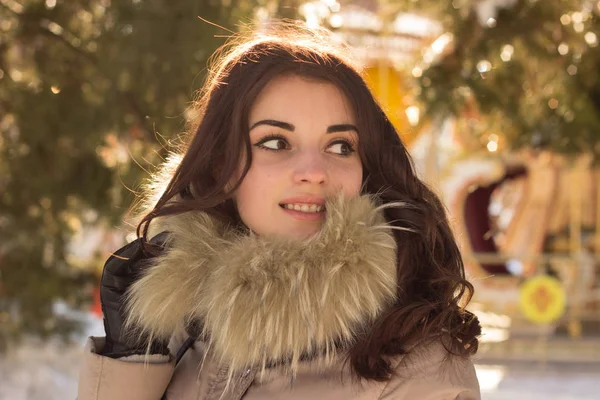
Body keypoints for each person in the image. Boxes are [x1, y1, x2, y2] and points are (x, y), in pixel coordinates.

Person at [78, 21, 481, 400]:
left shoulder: (421, 367)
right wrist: (131, 359)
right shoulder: (187, 329)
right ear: (221, 164)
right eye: (275, 143)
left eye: (341, 146)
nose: (314, 173)